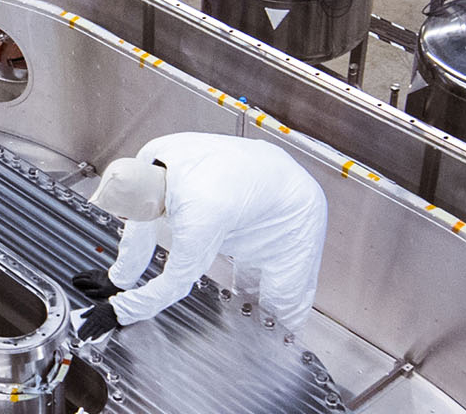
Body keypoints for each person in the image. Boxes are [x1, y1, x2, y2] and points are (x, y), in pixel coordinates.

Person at [69, 131, 329, 333]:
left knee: (279, 308)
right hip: (258, 190)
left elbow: (177, 282)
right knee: (246, 295)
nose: (126, 220)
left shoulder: (200, 210)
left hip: (295, 211)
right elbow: (140, 223)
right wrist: (118, 279)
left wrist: (118, 311)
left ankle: (275, 370)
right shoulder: (147, 161)